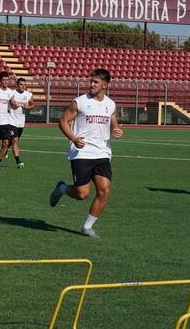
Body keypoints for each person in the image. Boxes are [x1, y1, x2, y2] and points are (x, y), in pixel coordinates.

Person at [48, 69, 123, 238]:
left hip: (102, 153)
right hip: (81, 153)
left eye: (95, 82)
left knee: (104, 191)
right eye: (91, 81)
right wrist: (73, 138)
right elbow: (63, 121)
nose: (91, 84)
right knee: (82, 194)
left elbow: (114, 124)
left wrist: (117, 130)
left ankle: (87, 227)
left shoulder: (110, 104)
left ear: (105, 85)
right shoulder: (79, 102)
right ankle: (62, 188)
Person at [8, 77, 37, 168]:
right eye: (21, 84)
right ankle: (18, 162)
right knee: (15, 141)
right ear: (17, 85)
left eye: (24, 85)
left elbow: (33, 104)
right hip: (11, 120)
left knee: (14, 141)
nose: (23, 86)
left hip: (21, 122)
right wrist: (15, 106)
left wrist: (28, 107)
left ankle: (5, 149)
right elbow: (12, 106)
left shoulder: (28, 94)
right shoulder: (12, 93)